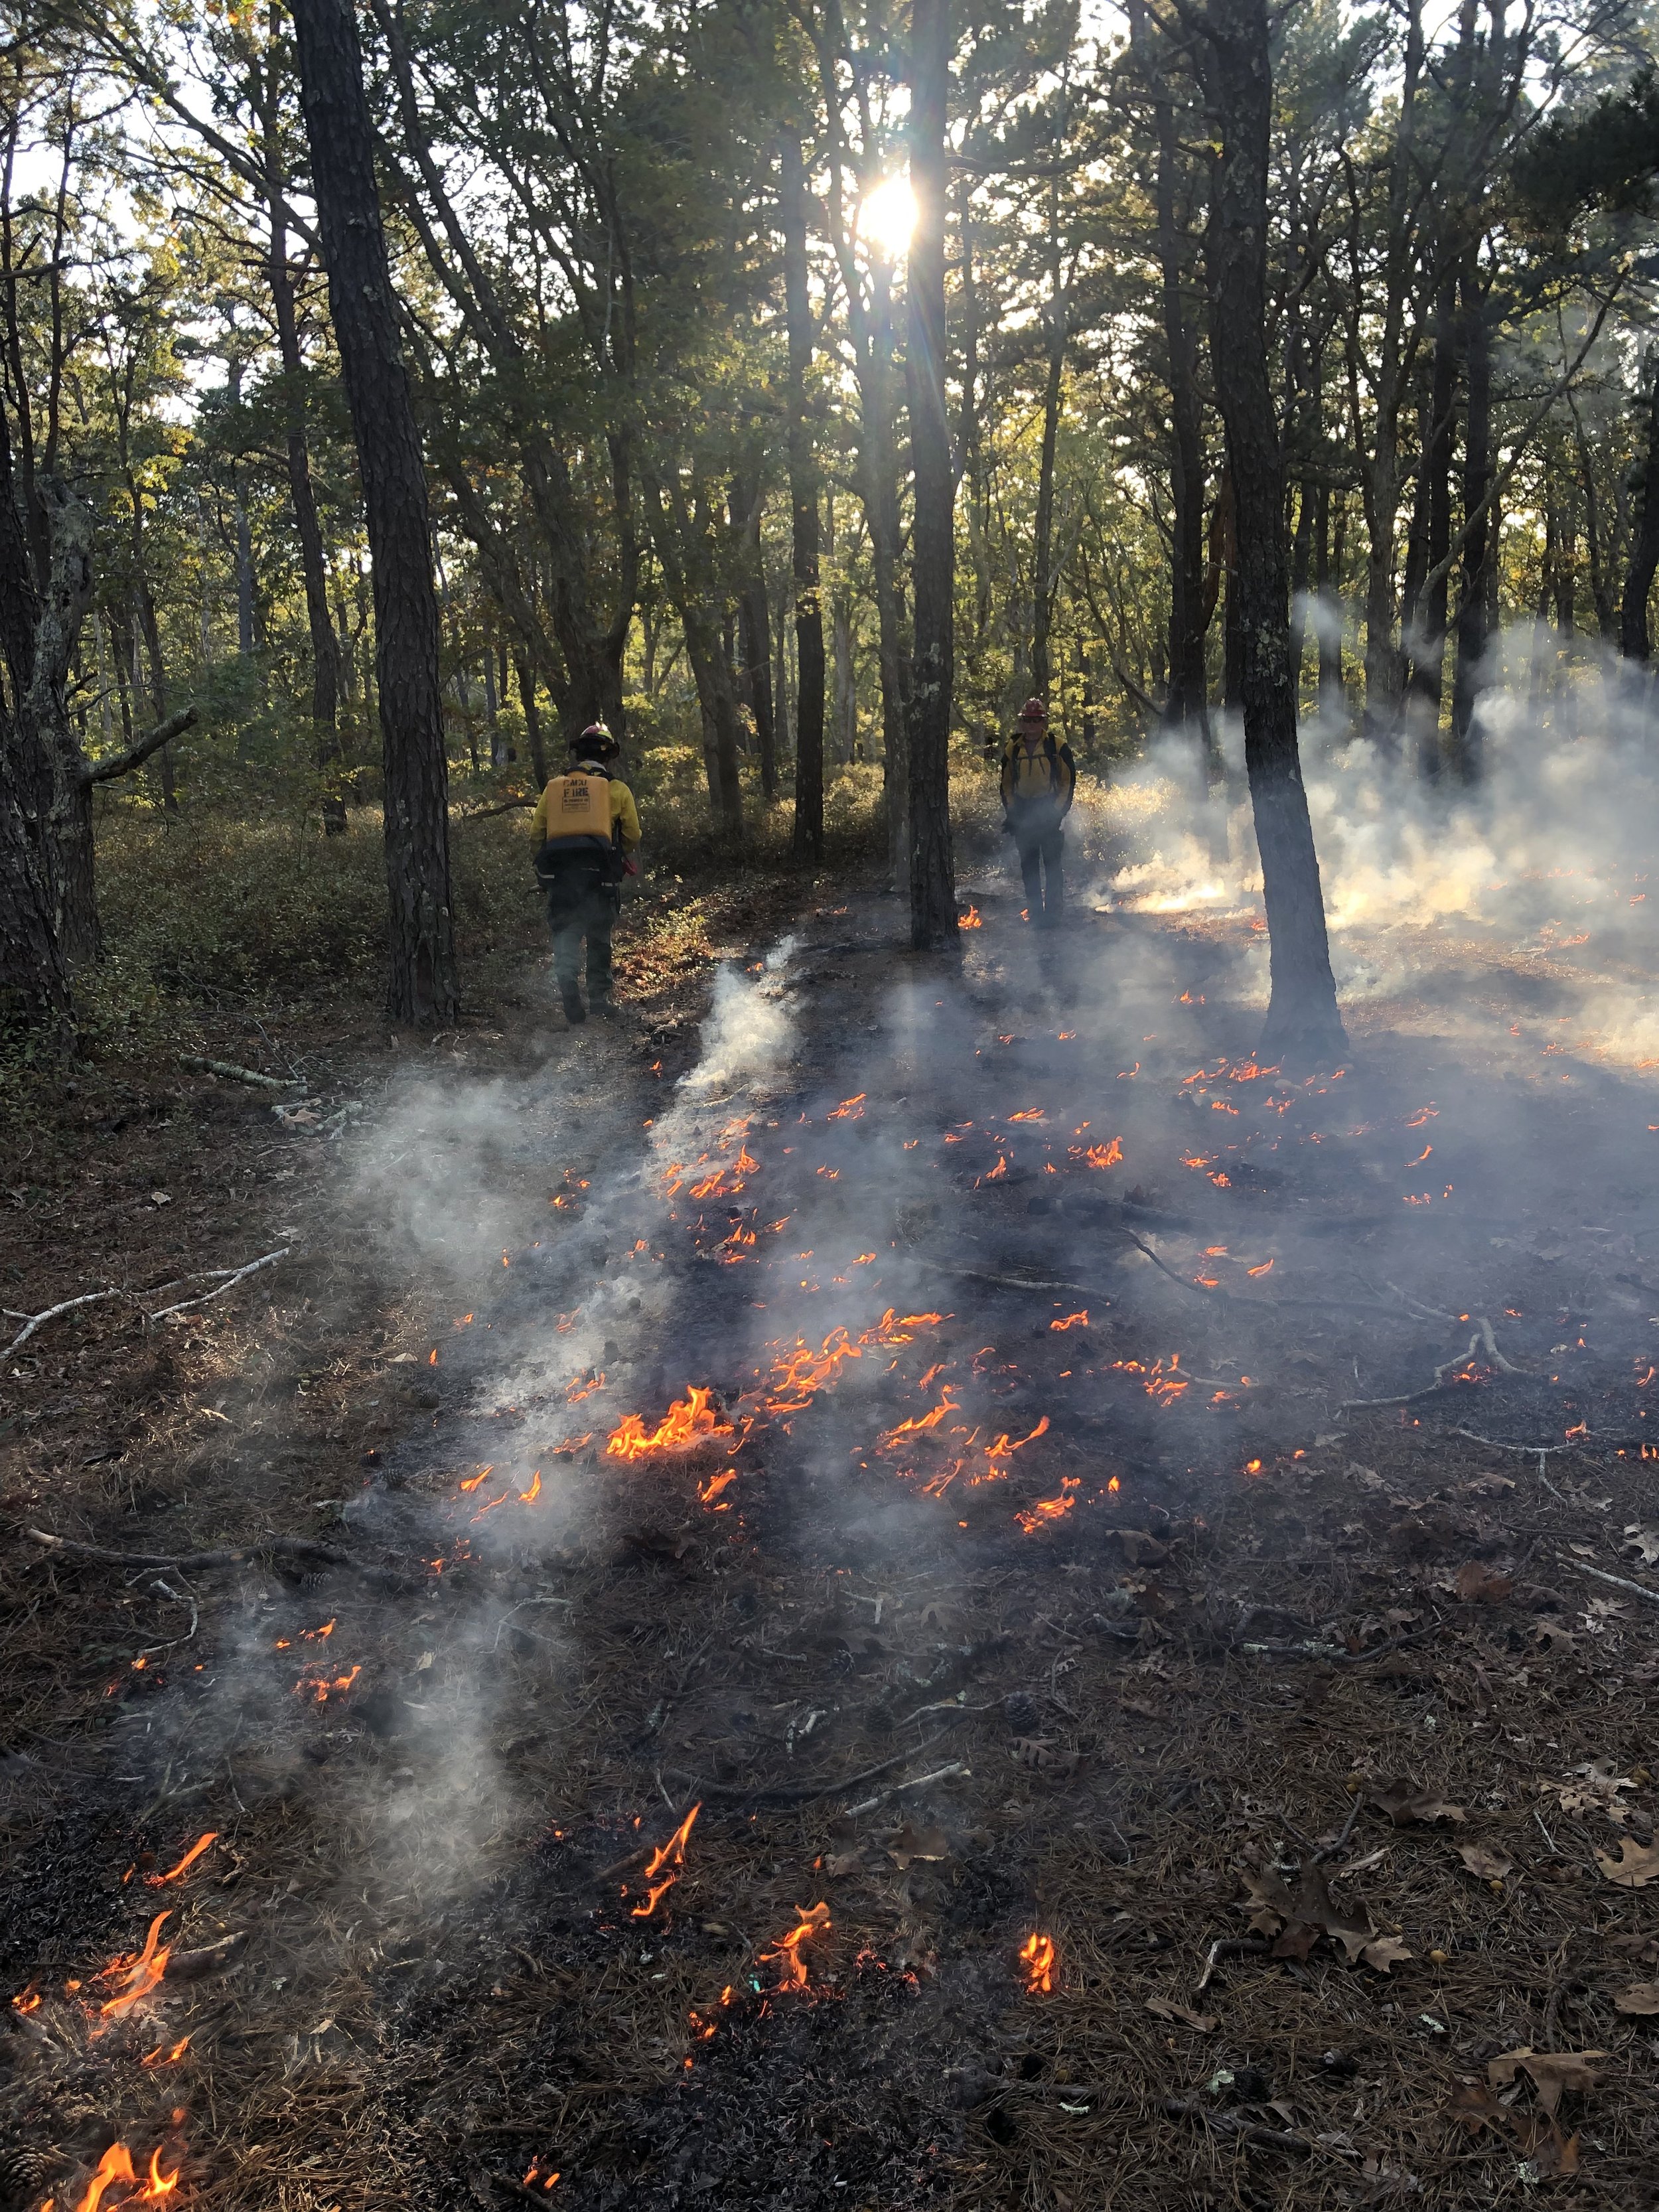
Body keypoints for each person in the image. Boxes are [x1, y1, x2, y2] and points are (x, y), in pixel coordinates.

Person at [530, 723, 641, 1023]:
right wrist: (619, 853)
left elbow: (536, 832)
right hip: (600, 876)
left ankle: (568, 980)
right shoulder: (617, 789)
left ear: (579, 754)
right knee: (599, 935)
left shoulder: (555, 789)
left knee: (566, 932)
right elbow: (632, 833)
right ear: (607, 756)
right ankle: (599, 1000)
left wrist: (543, 864)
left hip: (562, 877)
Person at [998, 697, 1075, 927]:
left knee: (1052, 865)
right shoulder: (1013, 747)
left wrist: (1057, 811)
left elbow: (1067, 782)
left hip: (1049, 810)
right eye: (1027, 720)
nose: (1031, 725)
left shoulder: (1057, 746)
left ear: (1043, 722)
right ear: (1021, 722)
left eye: (1036, 720)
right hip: (1024, 812)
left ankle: (1053, 914)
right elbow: (1006, 784)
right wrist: (1012, 812)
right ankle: (1035, 913)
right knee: (1028, 867)